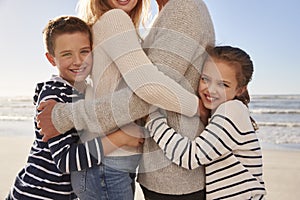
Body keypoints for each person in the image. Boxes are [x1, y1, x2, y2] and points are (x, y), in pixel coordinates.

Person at [37, 0, 215, 199]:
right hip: (108, 166)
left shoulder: (111, 24)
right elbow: (148, 86)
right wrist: (196, 106)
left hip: (110, 165)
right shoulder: (115, 19)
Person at [6, 15, 143, 200]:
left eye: (84, 51)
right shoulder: (54, 96)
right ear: (51, 59)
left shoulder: (82, 90)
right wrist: (121, 138)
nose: (78, 61)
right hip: (36, 194)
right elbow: (66, 161)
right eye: (67, 54)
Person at [145, 45, 266, 200]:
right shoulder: (224, 111)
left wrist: (153, 120)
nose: (211, 89)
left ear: (240, 90)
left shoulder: (231, 111)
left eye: (223, 84)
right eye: (205, 79)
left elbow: (189, 157)